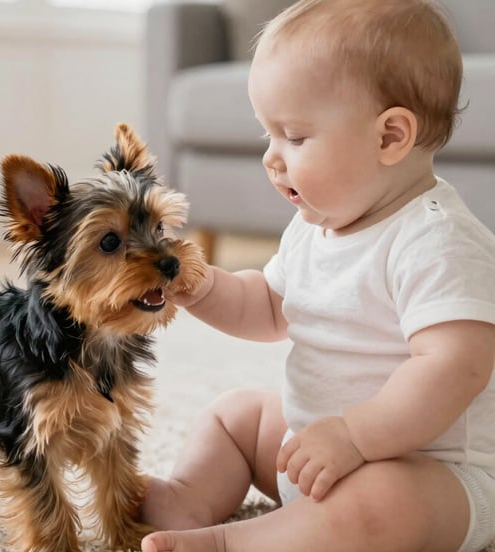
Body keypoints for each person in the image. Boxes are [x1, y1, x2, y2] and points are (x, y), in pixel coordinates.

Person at [140, 1, 495, 551]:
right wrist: (204, 286)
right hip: (315, 449)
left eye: (294, 138)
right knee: (236, 415)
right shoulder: (315, 227)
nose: (272, 159)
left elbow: (456, 367)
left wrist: (356, 436)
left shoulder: (437, 241)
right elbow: (267, 307)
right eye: (268, 137)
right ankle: (188, 497)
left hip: (428, 471)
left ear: (389, 137)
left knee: (381, 504)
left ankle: (236, 543)